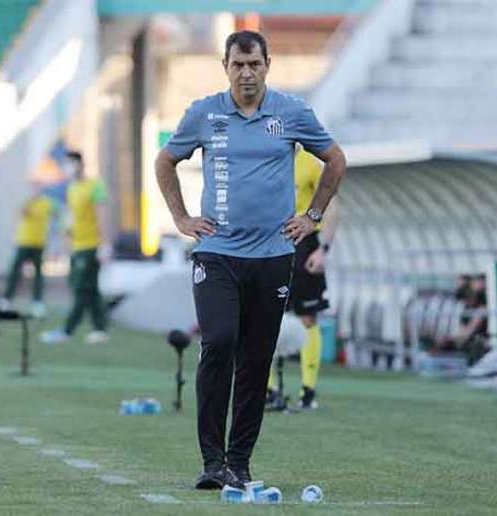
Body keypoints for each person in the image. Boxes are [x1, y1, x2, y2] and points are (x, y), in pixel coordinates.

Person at [155, 31, 346, 490]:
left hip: (275, 256)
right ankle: (211, 460)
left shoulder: (292, 113)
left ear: (267, 65)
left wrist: (312, 217)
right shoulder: (204, 113)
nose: (246, 73)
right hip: (217, 252)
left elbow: (335, 160)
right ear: (225, 66)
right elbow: (165, 162)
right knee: (219, 340)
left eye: (254, 65)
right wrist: (181, 217)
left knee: (257, 360)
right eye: (238, 65)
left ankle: (238, 464)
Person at [267, 148, 340, 410]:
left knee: (308, 317)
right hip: (271, 244)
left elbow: (332, 207)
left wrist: (323, 249)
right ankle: (269, 389)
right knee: (265, 316)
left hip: (305, 244)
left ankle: (308, 389)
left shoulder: (310, 163)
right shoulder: (264, 161)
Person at [40, 151, 111, 345]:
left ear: (80, 164)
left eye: (71, 163)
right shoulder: (72, 188)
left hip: (91, 246)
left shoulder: (95, 186)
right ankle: (100, 328)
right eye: (66, 164)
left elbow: (101, 216)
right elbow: (70, 217)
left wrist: (104, 244)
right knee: (90, 289)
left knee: (82, 288)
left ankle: (67, 330)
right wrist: (63, 243)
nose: (68, 167)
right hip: (77, 246)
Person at [0, 181, 57, 318]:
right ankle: (6, 299)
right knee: (15, 271)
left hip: (39, 243)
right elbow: (21, 214)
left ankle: (37, 302)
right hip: (24, 242)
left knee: (38, 275)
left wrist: (54, 237)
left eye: (38, 188)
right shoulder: (27, 202)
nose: (36, 191)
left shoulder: (47, 203)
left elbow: (57, 215)